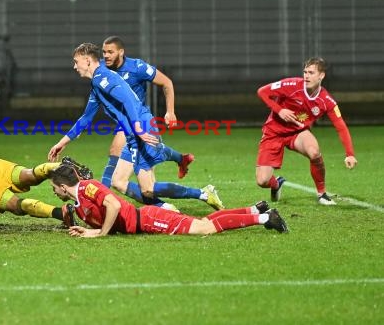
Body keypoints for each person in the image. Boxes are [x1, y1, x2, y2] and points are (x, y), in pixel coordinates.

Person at [48, 43, 224, 211]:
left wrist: (138, 128)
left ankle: (201, 194)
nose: (74, 66)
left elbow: (128, 100)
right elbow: (85, 118)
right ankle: (166, 205)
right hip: (135, 131)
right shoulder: (97, 83)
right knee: (118, 181)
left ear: (87, 60)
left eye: (76, 61)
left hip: (142, 127)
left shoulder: (103, 78)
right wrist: (62, 143)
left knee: (148, 188)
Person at [49, 164, 288, 237]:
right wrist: (93, 231)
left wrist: (100, 234)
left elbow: (115, 205)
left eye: (53, 188)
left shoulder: (88, 187)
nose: (53, 192)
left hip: (149, 220)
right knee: (204, 221)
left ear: (62, 186)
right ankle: (253, 210)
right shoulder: (80, 199)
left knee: (203, 228)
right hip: (146, 219)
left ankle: (266, 218)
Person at [256, 57, 358, 205]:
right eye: (305, 72)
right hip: (274, 133)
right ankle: (276, 184)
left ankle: (322, 194)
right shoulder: (291, 85)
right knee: (262, 181)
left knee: (314, 152)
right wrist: (280, 110)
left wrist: (350, 154)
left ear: (321, 76)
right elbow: (262, 92)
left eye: (311, 72)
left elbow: (340, 125)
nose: (306, 76)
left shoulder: (326, 100)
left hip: (297, 133)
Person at [100, 36, 193, 187]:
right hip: (124, 120)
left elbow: (166, 83)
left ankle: (102, 199)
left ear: (121, 52)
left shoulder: (137, 67)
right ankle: (181, 159)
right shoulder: (102, 69)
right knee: (149, 177)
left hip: (139, 120)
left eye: (110, 52)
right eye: (104, 52)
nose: (106, 55)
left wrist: (170, 112)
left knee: (116, 152)